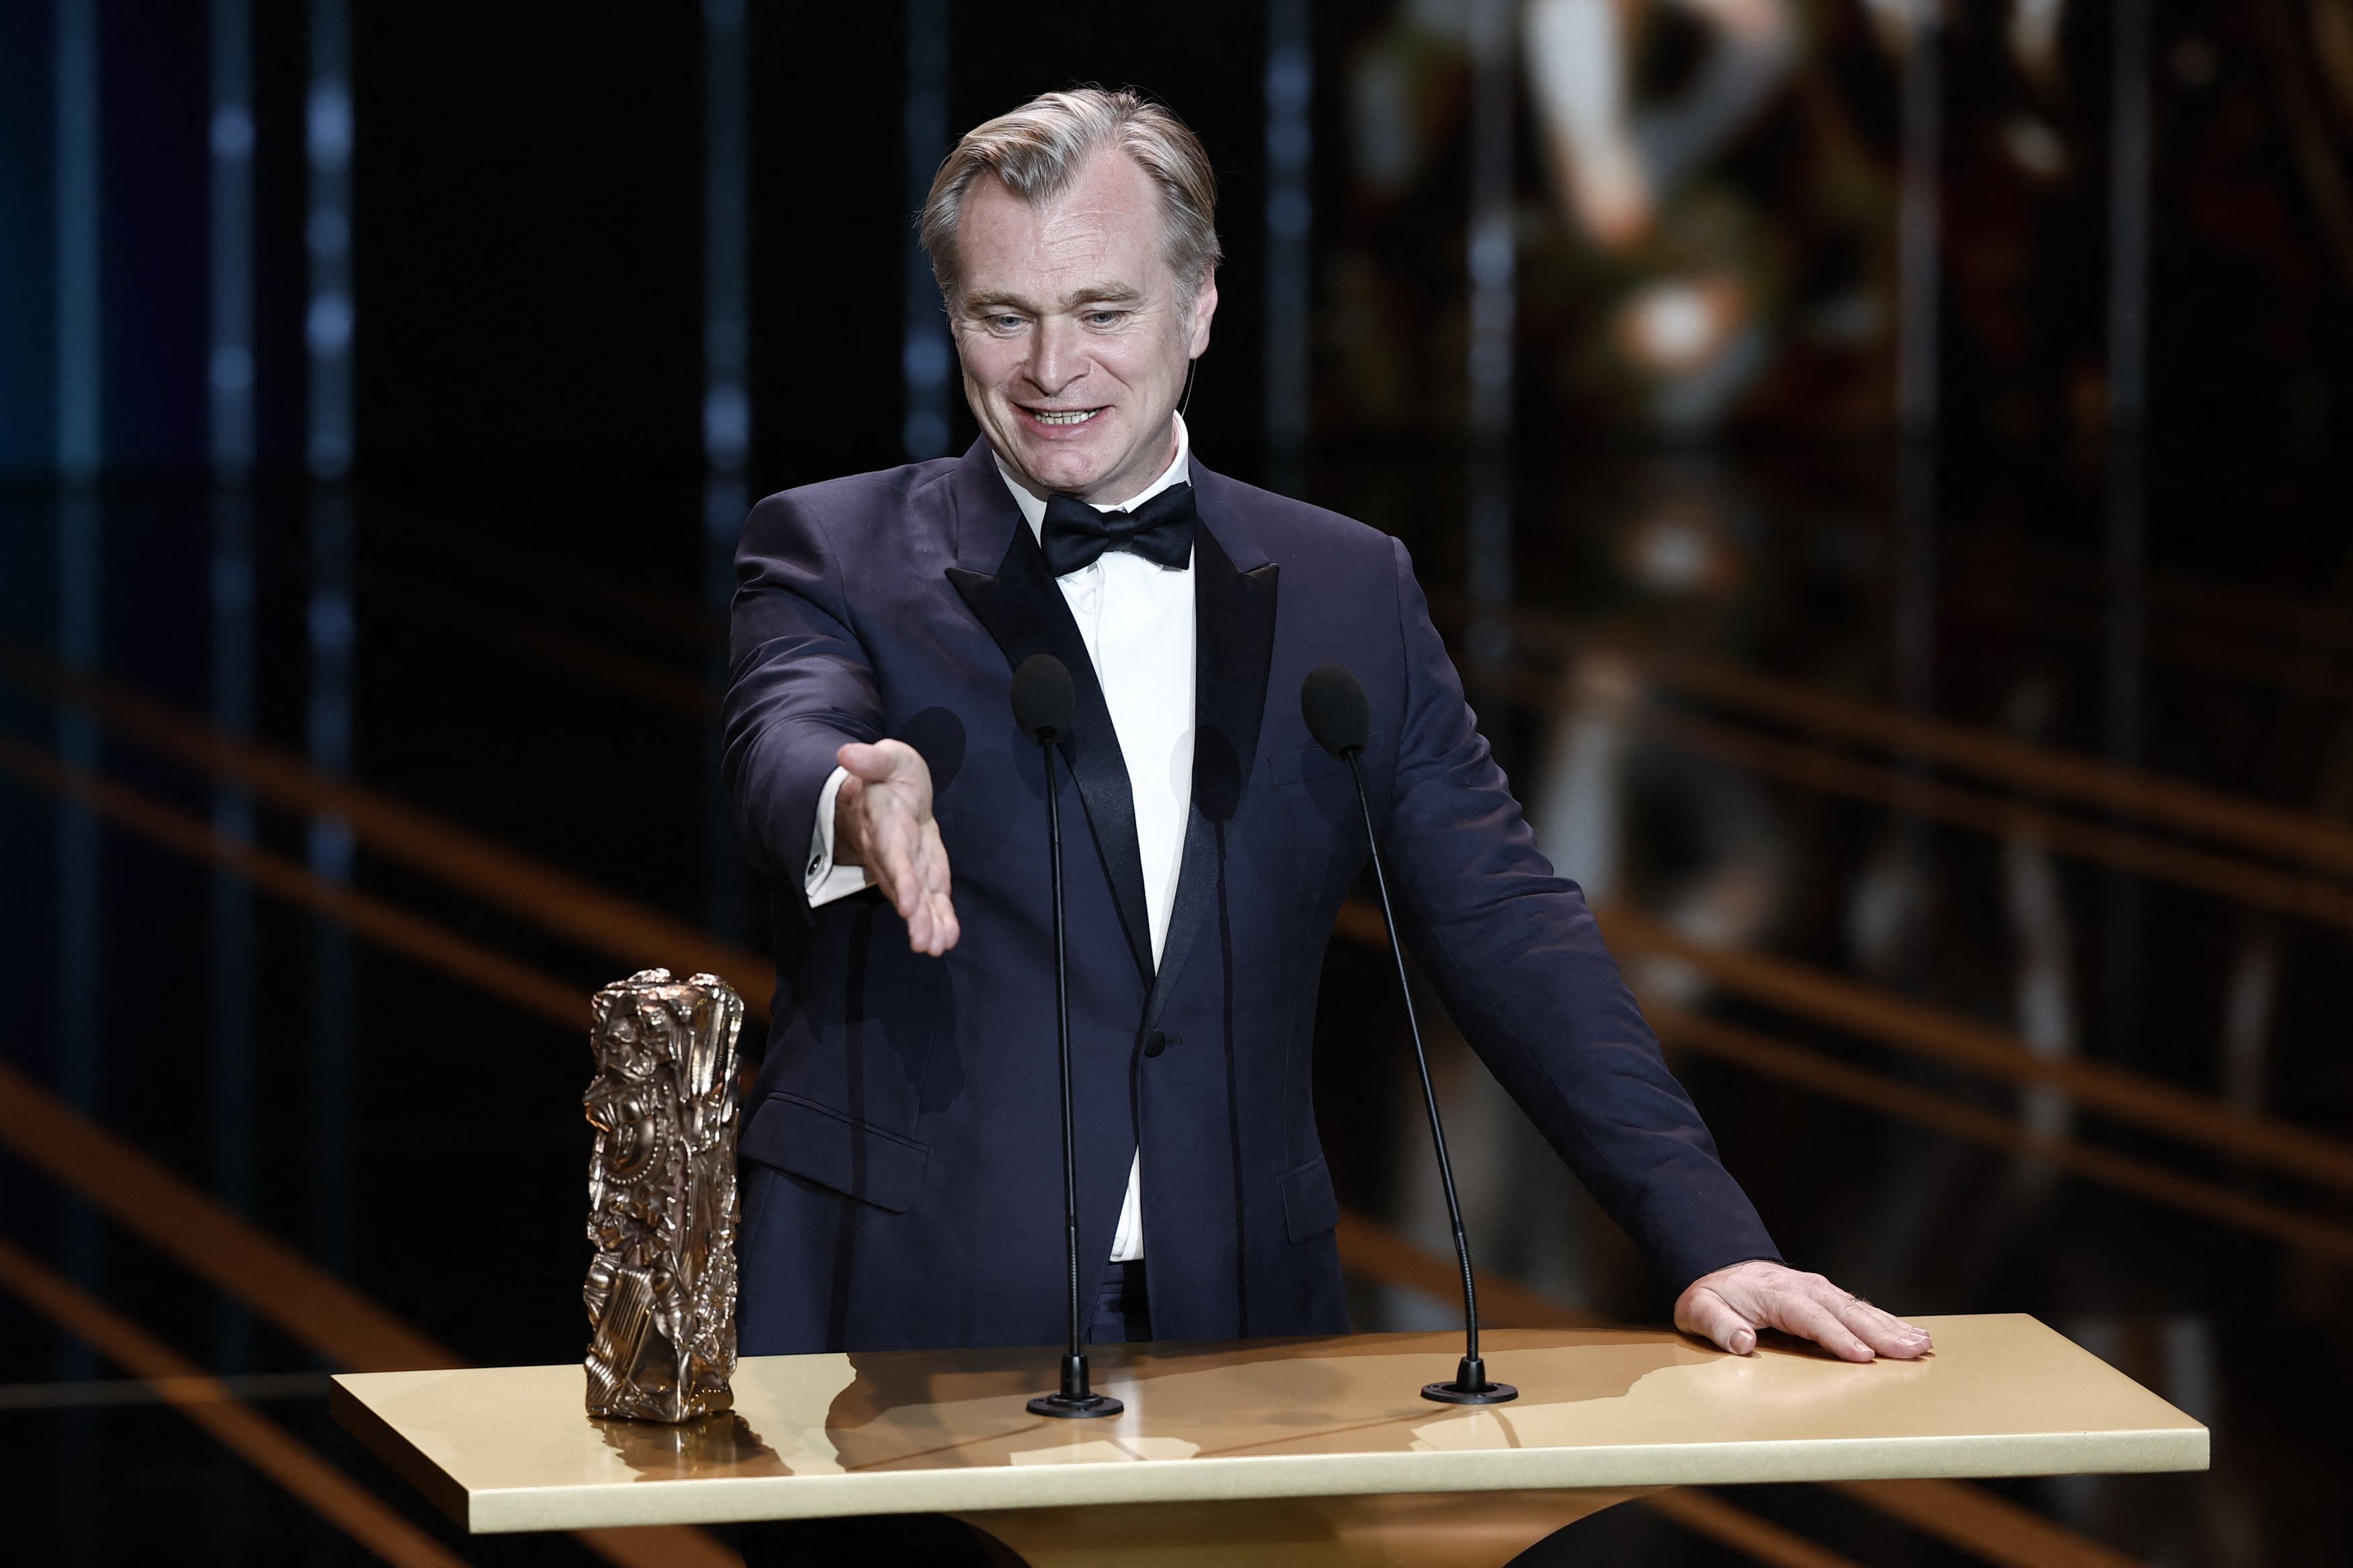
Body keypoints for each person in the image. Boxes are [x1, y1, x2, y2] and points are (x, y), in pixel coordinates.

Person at [723, 87, 1929, 1376]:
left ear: (1200, 307)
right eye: (1001, 317)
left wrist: (1708, 1238)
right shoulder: (833, 547)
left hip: (1241, 1317)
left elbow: (1506, 920)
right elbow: (785, 734)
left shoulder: (1350, 585)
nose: (1051, 368)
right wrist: (856, 805)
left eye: (1103, 312)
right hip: (897, 1313)